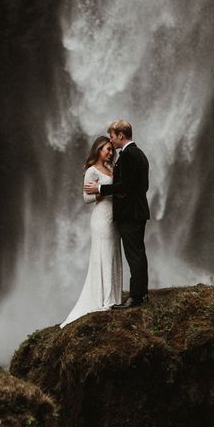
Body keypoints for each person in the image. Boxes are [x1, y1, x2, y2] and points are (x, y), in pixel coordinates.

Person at [84, 119, 149, 309]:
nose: (111, 142)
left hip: (130, 214)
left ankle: (136, 297)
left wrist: (100, 188)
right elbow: (142, 186)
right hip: (135, 211)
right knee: (138, 254)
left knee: (134, 255)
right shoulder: (139, 154)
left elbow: (125, 186)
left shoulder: (128, 155)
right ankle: (141, 294)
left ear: (121, 135)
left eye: (112, 137)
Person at [60, 136, 123, 327]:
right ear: (98, 150)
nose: (110, 153)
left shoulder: (111, 168)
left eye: (111, 150)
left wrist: (104, 188)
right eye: (106, 149)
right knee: (103, 253)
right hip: (101, 217)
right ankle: (104, 298)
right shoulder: (91, 171)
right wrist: (102, 191)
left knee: (113, 252)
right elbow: (86, 199)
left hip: (115, 216)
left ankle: (114, 296)